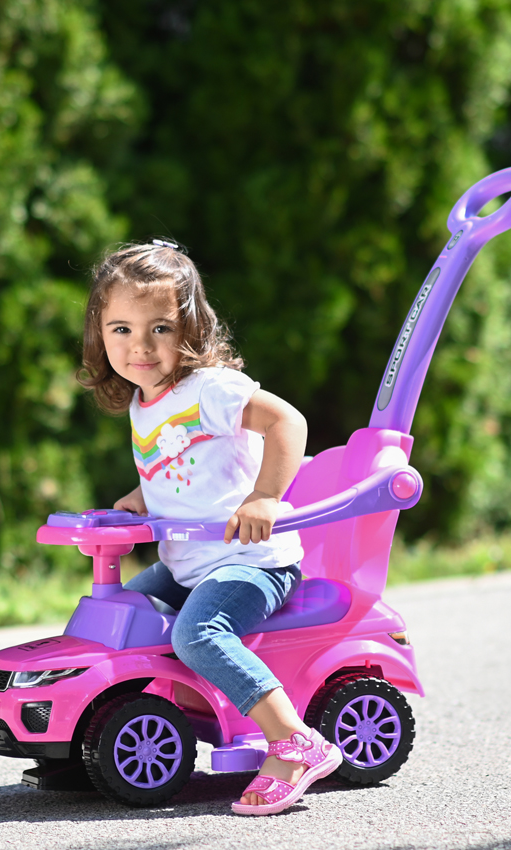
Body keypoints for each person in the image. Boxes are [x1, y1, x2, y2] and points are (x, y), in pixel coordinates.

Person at [78, 240, 342, 815]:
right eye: (120, 328)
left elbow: (287, 422)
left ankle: (293, 741)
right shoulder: (143, 400)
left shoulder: (209, 389)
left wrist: (266, 496)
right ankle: (122, 728)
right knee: (119, 617)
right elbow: (178, 469)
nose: (140, 346)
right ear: (99, 332)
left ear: (191, 329)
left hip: (252, 561)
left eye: (161, 329)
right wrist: (138, 498)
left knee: (195, 634)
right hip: (188, 564)